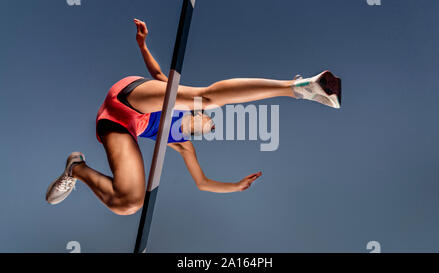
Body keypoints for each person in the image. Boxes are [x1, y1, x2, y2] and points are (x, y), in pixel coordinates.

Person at [45, 19, 342, 215]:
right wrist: (143, 46)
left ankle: (77, 169)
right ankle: (298, 87)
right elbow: (158, 74)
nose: (210, 124)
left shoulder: (183, 143)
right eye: (209, 120)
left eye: (210, 128)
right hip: (128, 96)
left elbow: (202, 182)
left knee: (130, 203)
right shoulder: (187, 104)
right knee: (206, 95)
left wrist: (236, 186)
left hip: (119, 126)